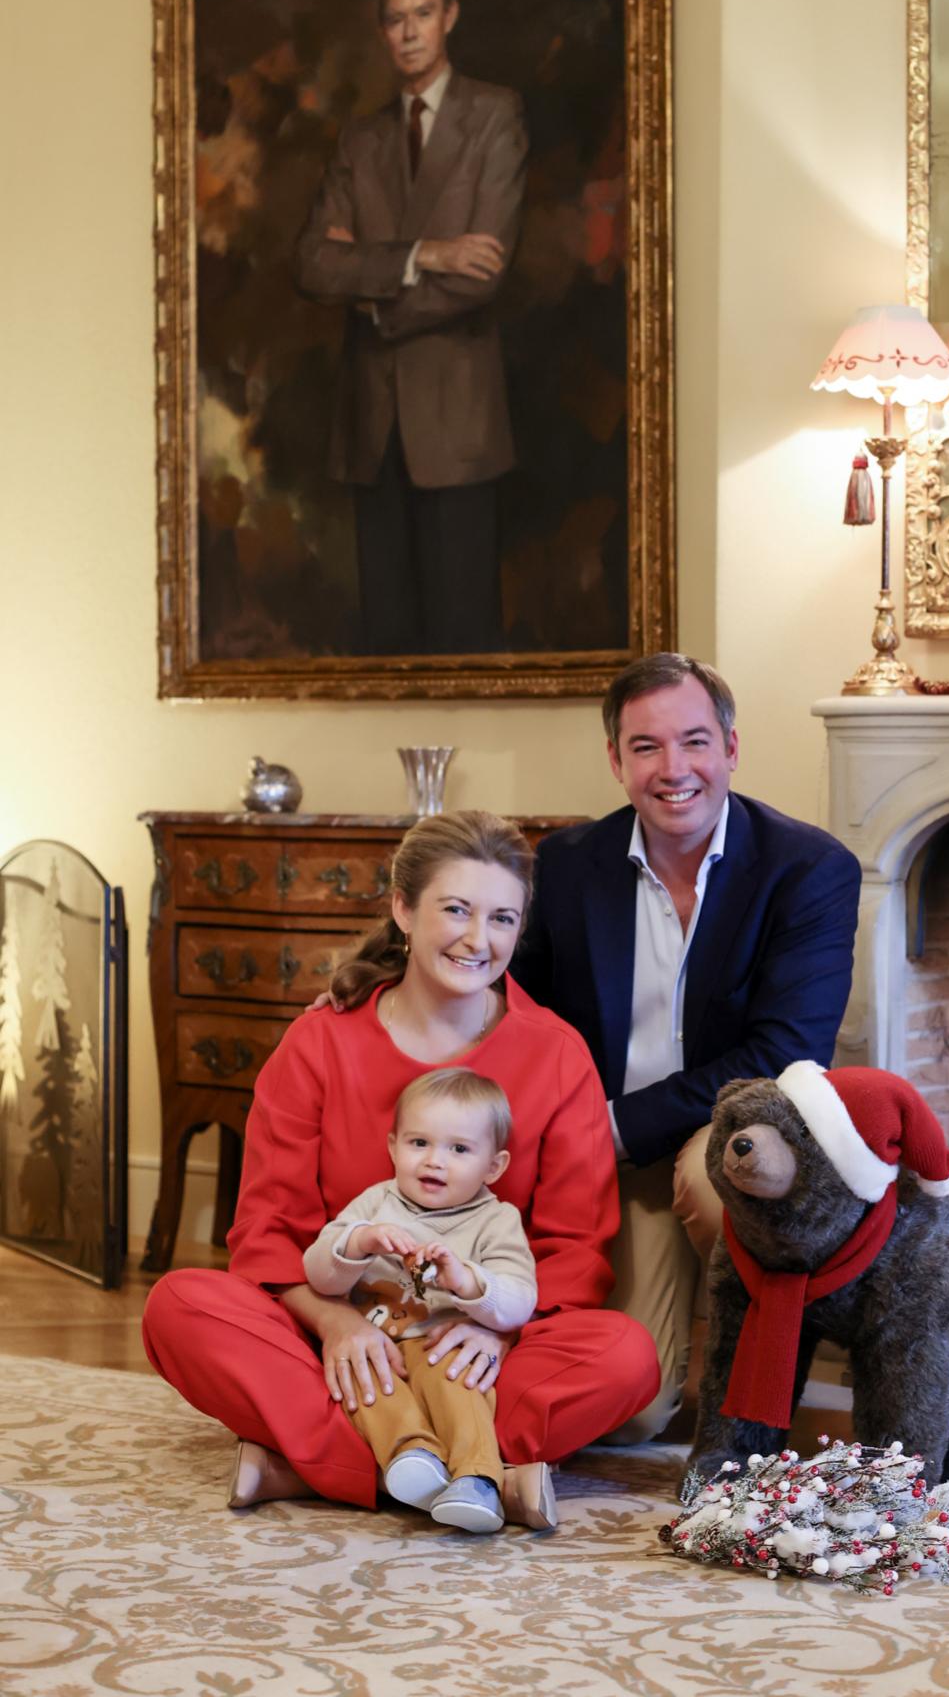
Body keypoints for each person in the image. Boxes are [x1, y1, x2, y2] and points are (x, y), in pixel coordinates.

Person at [142, 812, 658, 1530]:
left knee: (627, 1355)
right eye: (455, 909)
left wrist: (496, 1332)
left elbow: (574, 1249)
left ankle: (312, 1465)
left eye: (503, 917)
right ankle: (476, 1469)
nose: (479, 939)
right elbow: (267, 1232)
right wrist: (335, 1325)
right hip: (341, 1326)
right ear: (402, 909)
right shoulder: (319, 1042)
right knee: (180, 1308)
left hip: (473, 1343)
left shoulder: (557, 1053)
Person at [509, 653, 862, 1441]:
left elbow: (784, 1050)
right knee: (631, 1417)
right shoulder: (568, 864)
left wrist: (609, 1125)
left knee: (722, 1174)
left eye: (695, 741)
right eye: (646, 747)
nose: (674, 769)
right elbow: (509, 999)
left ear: (732, 748)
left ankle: (758, 1397)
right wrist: (376, 981)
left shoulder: (807, 869)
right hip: (609, 1152)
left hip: (725, 1136)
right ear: (616, 759)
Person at [293, 0, 528, 656]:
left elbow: (484, 273)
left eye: (422, 14)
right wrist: (424, 252)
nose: (409, 33)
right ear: (381, 32)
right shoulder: (359, 141)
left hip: (457, 426)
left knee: (463, 637)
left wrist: (370, 296)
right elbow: (310, 262)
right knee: (387, 645)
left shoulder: (494, 115)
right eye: (395, 19)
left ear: (449, 15)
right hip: (372, 427)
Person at [302, 1068, 538, 1534]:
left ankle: (478, 1479)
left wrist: (467, 1281)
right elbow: (316, 1273)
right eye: (418, 1144)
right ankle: (414, 1458)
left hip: (444, 1341)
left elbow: (519, 1299)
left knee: (460, 1385)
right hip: (375, 1337)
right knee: (368, 1388)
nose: (434, 1161)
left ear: (494, 1166)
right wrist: (359, 1243)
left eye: (459, 1149)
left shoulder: (497, 1220)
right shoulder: (374, 1203)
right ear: (392, 1146)